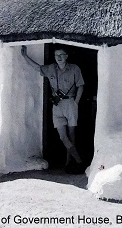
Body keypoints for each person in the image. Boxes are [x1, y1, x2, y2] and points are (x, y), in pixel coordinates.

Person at [21, 45, 85, 173]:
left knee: (72, 136)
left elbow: (80, 86)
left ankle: (69, 163)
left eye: (62, 55)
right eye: (57, 55)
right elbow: (37, 67)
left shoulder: (74, 69)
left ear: (67, 56)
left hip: (70, 103)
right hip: (57, 106)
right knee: (63, 137)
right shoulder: (50, 69)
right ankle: (79, 161)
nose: (59, 58)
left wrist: (76, 103)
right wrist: (25, 56)